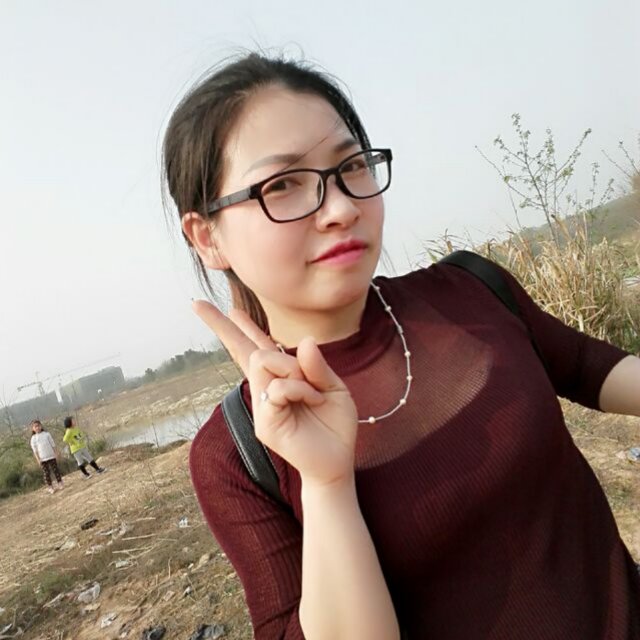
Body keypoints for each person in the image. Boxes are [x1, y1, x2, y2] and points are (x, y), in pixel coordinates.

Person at [162, 52, 640, 639]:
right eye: (282, 185)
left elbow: (590, 366)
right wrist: (327, 485)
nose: (342, 208)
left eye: (351, 166)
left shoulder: (469, 288)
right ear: (207, 237)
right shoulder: (236, 455)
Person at [30, 420, 64, 494]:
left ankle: (60, 482)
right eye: (35, 426)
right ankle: (50, 487)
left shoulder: (46, 434)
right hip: (42, 458)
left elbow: (53, 444)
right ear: (33, 428)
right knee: (46, 473)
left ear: (41, 426)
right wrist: (38, 459)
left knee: (55, 470)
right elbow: (35, 451)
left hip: (51, 456)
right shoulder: (33, 438)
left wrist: (56, 453)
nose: (37, 427)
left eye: (38, 425)